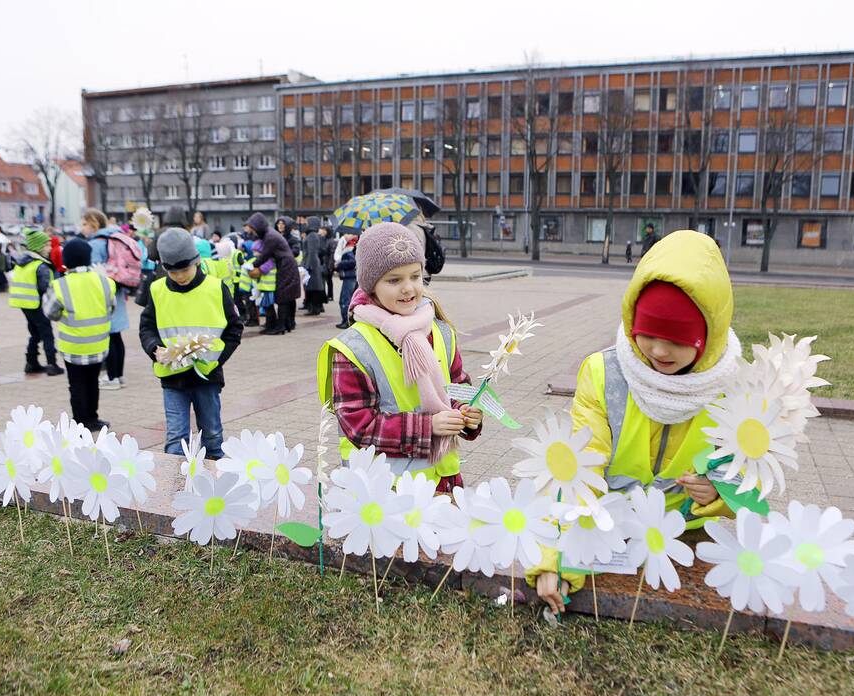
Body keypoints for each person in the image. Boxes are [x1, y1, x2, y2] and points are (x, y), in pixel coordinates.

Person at [528, 230, 740, 615]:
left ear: (708, 337)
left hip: (683, 540)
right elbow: (577, 471)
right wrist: (557, 559)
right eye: (649, 334)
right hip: (603, 529)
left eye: (677, 340)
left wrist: (720, 494)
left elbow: (752, 477)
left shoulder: (735, 387)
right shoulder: (603, 372)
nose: (659, 351)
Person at [317, 222, 483, 493]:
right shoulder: (353, 348)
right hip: (383, 496)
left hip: (444, 483)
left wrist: (466, 413)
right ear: (371, 286)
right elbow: (359, 425)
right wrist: (428, 427)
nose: (408, 288)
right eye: (394, 280)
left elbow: (456, 386)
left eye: (415, 276)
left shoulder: (440, 331)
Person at [138, 228, 243, 459]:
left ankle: (216, 486)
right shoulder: (157, 290)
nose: (180, 276)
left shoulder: (215, 288)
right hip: (172, 376)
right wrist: (154, 348)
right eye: (173, 272)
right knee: (176, 438)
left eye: (184, 269)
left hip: (207, 376)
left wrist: (217, 359)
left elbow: (234, 328)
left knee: (213, 435)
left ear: (196, 261)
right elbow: (147, 327)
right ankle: (173, 489)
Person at [44, 239, 116, 432]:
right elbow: (111, 307)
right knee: (93, 383)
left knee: (76, 385)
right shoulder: (105, 282)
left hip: (73, 347)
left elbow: (50, 312)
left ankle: (79, 422)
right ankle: (93, 419)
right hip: (99, 345)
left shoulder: (59, 285)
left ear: (65, 261)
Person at [79, 208, 129, 391]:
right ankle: (119, 376)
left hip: (103, 293)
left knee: (109, 336)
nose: (82, 227)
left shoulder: (95, 244)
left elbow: (94, 271)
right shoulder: (113, 238)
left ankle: (112, 377)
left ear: (94, 223)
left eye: (84, 223)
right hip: (117, 289)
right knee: (117, 336)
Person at [9, 228, 63, 376]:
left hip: (24, 303)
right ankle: (52, 364)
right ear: (38, 247)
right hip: (37, 303)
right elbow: (47, 287)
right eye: (46, 245)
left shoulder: (22, 262)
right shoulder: (40, 265)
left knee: (35, 333)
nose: (50, 248)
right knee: (46, 334)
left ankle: (31, 362)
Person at [247, 212, 299, 335]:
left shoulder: (270, 236)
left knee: (282, 298)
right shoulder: (270, 234)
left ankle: (280, 327)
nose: (253, 231)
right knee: (284, 297)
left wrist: (252, 266)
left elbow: (265, 254)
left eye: (254, 228)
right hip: (285, 265)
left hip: (286, 266)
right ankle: (284, 325)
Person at [301, 217, 326, 316]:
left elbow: (312, 252)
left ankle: (314, 308)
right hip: (312, 264)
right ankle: (314, 308)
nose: (305, 224)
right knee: (312, 287)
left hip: (312, 265)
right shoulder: (312, 235)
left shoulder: (312, 236)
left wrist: (308, 266)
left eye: (307, 222)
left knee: (313, 288)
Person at [334, 233, 357, 329]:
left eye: (348, 233)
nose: (345, 235)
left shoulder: (351, 248)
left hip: (350, 277)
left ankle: (346, 321)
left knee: (345, 300)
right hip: (350, 277)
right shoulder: (350, 246)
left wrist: (339, 264)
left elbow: (353, 262)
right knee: (346, 300)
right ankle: (346, 320)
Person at [322, 226, 337, 303]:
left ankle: (330, 295)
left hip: (328, 264)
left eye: (324, 230)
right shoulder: (323, 240)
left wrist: (330, 265)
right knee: (325, 280)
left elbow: (332, 254)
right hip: (324, 263)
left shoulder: (331, 241)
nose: (322, 231)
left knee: (329, 280)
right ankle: (326, 295)